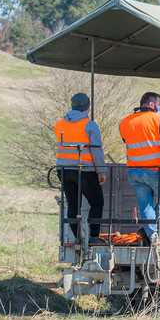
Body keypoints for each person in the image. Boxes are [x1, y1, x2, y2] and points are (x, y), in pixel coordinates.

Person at [118, 92, 160, 246]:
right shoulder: (159, 120)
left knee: (145, 205)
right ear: (151, 104)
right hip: (157, 170)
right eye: (158, 104)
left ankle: (152, 234)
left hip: (135, 171)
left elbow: (125, 140)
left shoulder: (125, 122)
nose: (159, 107)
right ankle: (153, 230)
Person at [55, 92, 106, 244]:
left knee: (73, 204)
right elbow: (96, 150)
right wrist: (101, 171)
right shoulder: (90, 125)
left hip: (63, 169)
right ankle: (93, 237)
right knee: (97, 202)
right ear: (87, 107)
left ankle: (78, 238)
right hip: (84, 170)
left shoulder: (59, 124)